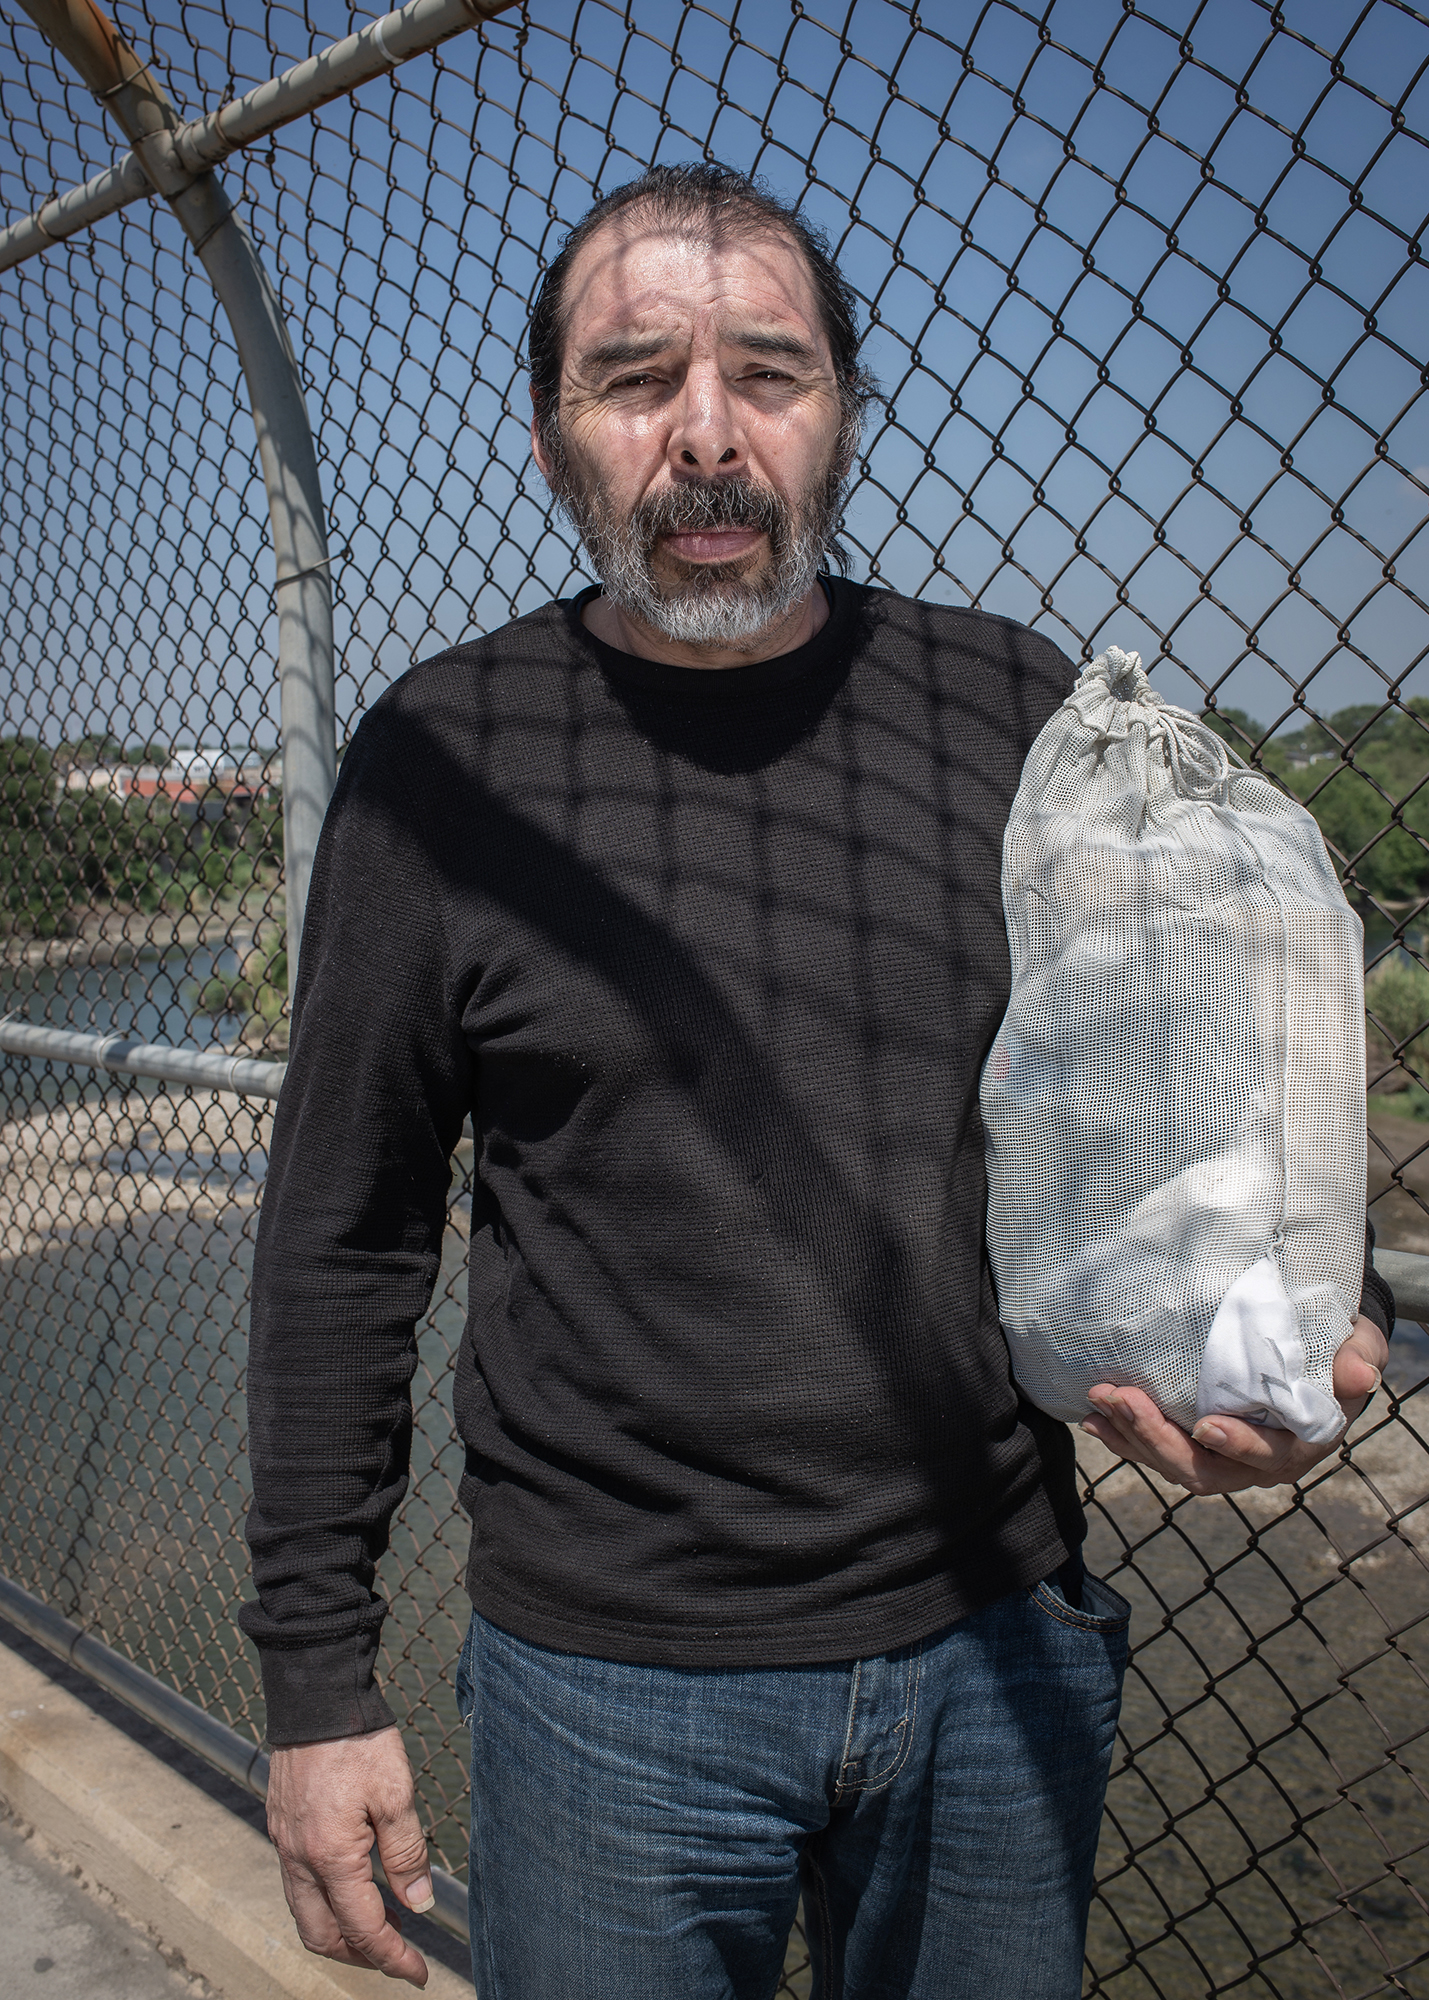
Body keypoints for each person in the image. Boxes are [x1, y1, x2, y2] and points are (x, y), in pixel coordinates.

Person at [242, 163, 1393, 1999]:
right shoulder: (439, 767)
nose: (705, 434)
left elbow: (1210, 1094)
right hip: (603, 1684)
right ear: (554, 439)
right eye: (635, 380)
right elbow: (341, 1243)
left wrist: (1313, 1325)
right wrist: (317, 1685)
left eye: (766, 372)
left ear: (840, 414)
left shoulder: (1015, 716)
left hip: (994, 1632)